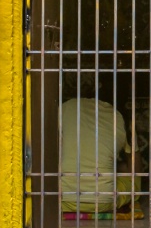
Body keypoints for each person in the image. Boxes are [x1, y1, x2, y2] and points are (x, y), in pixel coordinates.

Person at [60, 76, 143, 214]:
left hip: (63, 200)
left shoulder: (65, 107)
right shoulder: (120, 116)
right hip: (103, 202)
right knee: (133, 178)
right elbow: (136, 167)